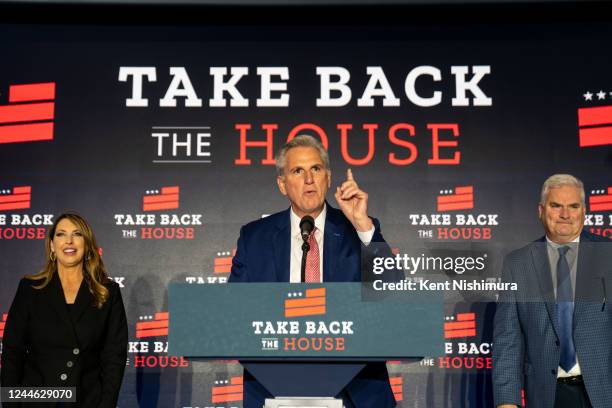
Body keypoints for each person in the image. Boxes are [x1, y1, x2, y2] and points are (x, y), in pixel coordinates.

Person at [229, 135, 397, 408]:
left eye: (316, 169)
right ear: (282, 184)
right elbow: (234, 314)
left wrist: (363, 225)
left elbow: (391, 290)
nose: (309, 179)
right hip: (275, 391)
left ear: (328, 178)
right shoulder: (254, 237)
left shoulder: (359, 228)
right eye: (298, 171)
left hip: (353, 391)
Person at [493, 174, 612, 408]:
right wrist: (507, 401)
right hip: (546, 395)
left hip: (604, 392)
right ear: (541, 210)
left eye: (573, 206)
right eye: (556, 205)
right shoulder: (517, 263)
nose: (565, 214)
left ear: (584, 211)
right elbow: (508, 339)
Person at [1, 212, 128, 407]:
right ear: (52, 245)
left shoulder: (107, 292)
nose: (68, 241)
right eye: (61, 234)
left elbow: (114, 357)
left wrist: (106, 404)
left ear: (86, 245)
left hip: (85, 401)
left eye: (77, 234)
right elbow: (12, 351)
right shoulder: (30, 288)